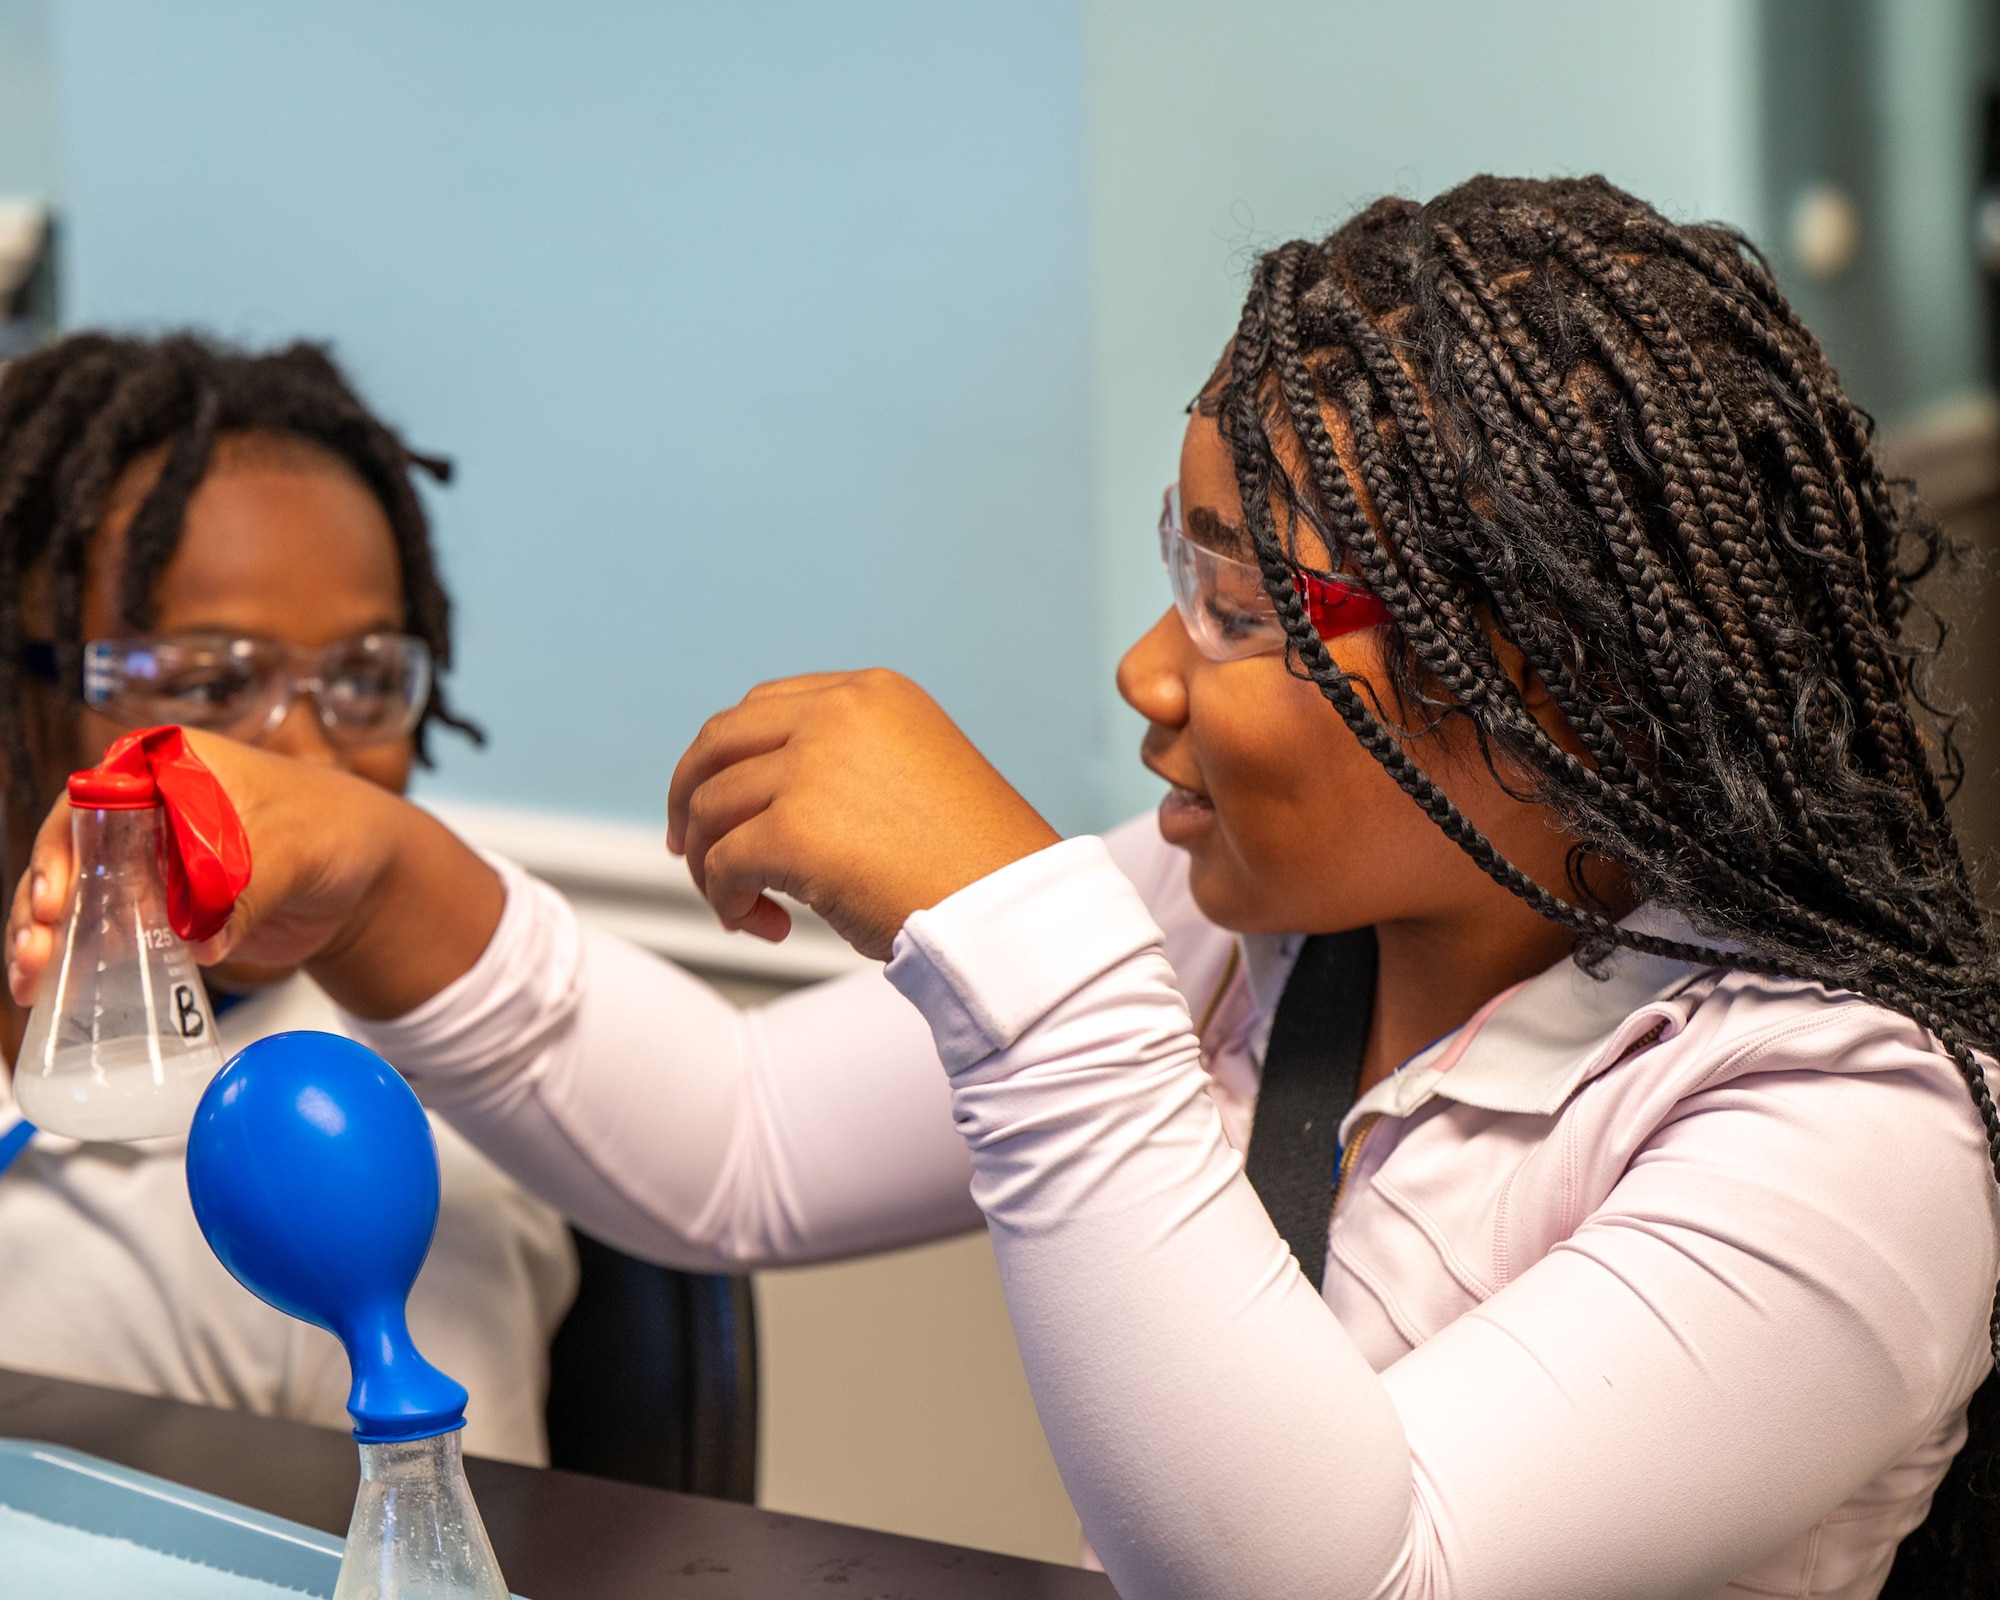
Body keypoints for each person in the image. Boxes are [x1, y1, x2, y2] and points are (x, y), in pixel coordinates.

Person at [13, 176, 2000, 1597]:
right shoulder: (1258, 926)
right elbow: (732, 1147)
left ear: (1535, 676)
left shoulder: (1836, 1134)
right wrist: (372, 872)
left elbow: (1342, 1566)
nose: (1148, 670)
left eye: (1234, 600)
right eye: (1174, 565)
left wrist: (1011, 918)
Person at [0, 334, 576, 1465]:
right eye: (213, 682)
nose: (308, 760)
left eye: (363, 681)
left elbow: (443, 1557)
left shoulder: (384, 1164)